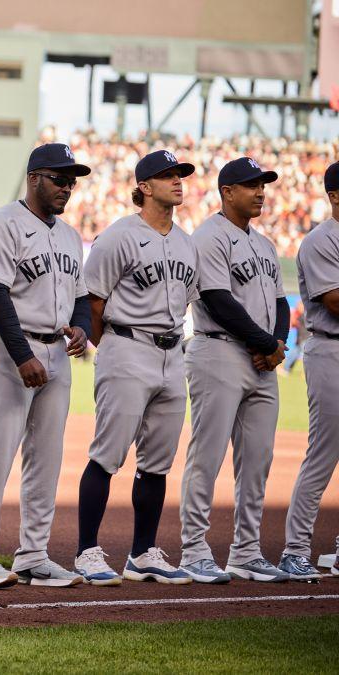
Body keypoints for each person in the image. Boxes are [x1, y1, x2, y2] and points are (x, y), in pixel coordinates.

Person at [0, 143, 91, 589]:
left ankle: (34, 555)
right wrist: (22, 357)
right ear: (34, 178)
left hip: (56, 353)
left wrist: (81, 327)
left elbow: (79, 298)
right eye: (59, 179)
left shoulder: (70, 235)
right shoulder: (2, 223)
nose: (67, 188)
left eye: (71, 182)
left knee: (46, 460)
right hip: (11, 351)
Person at [73, 151, 199, 586]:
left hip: (172, 352)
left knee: (158, 462)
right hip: (126, 346)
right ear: (144, 187)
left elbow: (187, 301)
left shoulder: (186, 242)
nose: (178, 181)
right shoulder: (118, 237)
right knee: (107, 455)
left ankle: (143, 553)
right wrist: (112, 349)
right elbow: (93, 302)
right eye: (168, 176)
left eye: (180, 175)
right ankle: (86, 551)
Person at [178, 158, 290, 584]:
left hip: (261, 362)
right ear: (227, 192)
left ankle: (245, 551)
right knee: (206, 456)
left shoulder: (264, 244)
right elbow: (218, 300)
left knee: (258, 460)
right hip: (218, 352)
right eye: (251, 185)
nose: (260, 192)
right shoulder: (208, 236)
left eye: (263, 185)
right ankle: (194, 550)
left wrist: (276, 345)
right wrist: (266, 344)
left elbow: (280, 303)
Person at [279, 161, 339, 580]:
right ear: (334, 196)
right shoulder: (321, 240)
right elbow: (334, 300)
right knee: (323, 453)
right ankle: (295, 549)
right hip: (331, 348)